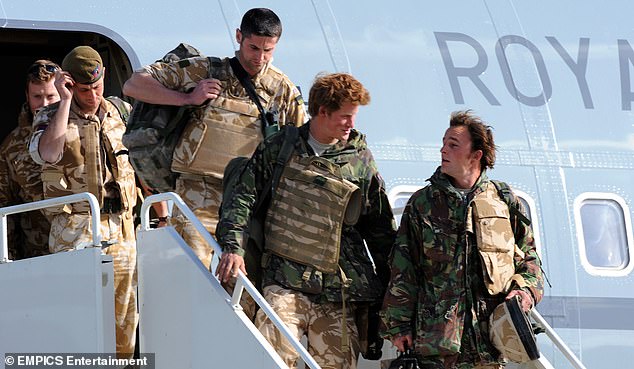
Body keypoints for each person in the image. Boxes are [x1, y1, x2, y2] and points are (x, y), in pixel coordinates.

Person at [216, 73, 396, 369]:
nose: (352, 124)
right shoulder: (281, 148)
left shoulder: (359, 159)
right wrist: (232, 246)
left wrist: (393, 287)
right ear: (323, 111)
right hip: (284, 281)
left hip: (336, 291)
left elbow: (379, 228)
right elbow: (242, 197)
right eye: (345, 117)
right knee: (270, 359)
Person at [122, 7, 306, 270]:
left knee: (239, 290)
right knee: (191, 276)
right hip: (197, 195)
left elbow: (299, 145)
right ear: (239, 36)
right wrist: (187, 98)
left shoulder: (281, 89)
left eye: (268, 50)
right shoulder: (205, 70)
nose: (260, 58)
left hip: (245, 202)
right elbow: (134, 84)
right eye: (254, 48)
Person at [380, 110, 544, 368]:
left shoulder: (503, 202)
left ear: (476, 155)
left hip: (487, 346)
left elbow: (530, 259)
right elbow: (403, 268)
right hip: (436, 345)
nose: (443, 150)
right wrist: (398, 325)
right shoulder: (424, 203)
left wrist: (524, 291)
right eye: (443, 143)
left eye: (453, 145)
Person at [28, 46, 138, 359]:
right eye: (84, 89)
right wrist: (63, 102)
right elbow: (46, 154)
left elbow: (138, 162)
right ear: (69, 83)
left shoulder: (118, 112)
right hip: (76, 229)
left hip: (121, 227)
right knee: (79, 320)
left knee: (124, 322)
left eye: (97, 87)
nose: (92, 96)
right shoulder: (50, 116)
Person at [0, 60, 60, 260]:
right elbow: (4, 209)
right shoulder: (11, 147)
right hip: (37, 257)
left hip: (85, 246)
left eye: (51, 96)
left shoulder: (84, 132)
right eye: (37, 97)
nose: (44, 105)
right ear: (27, 97)